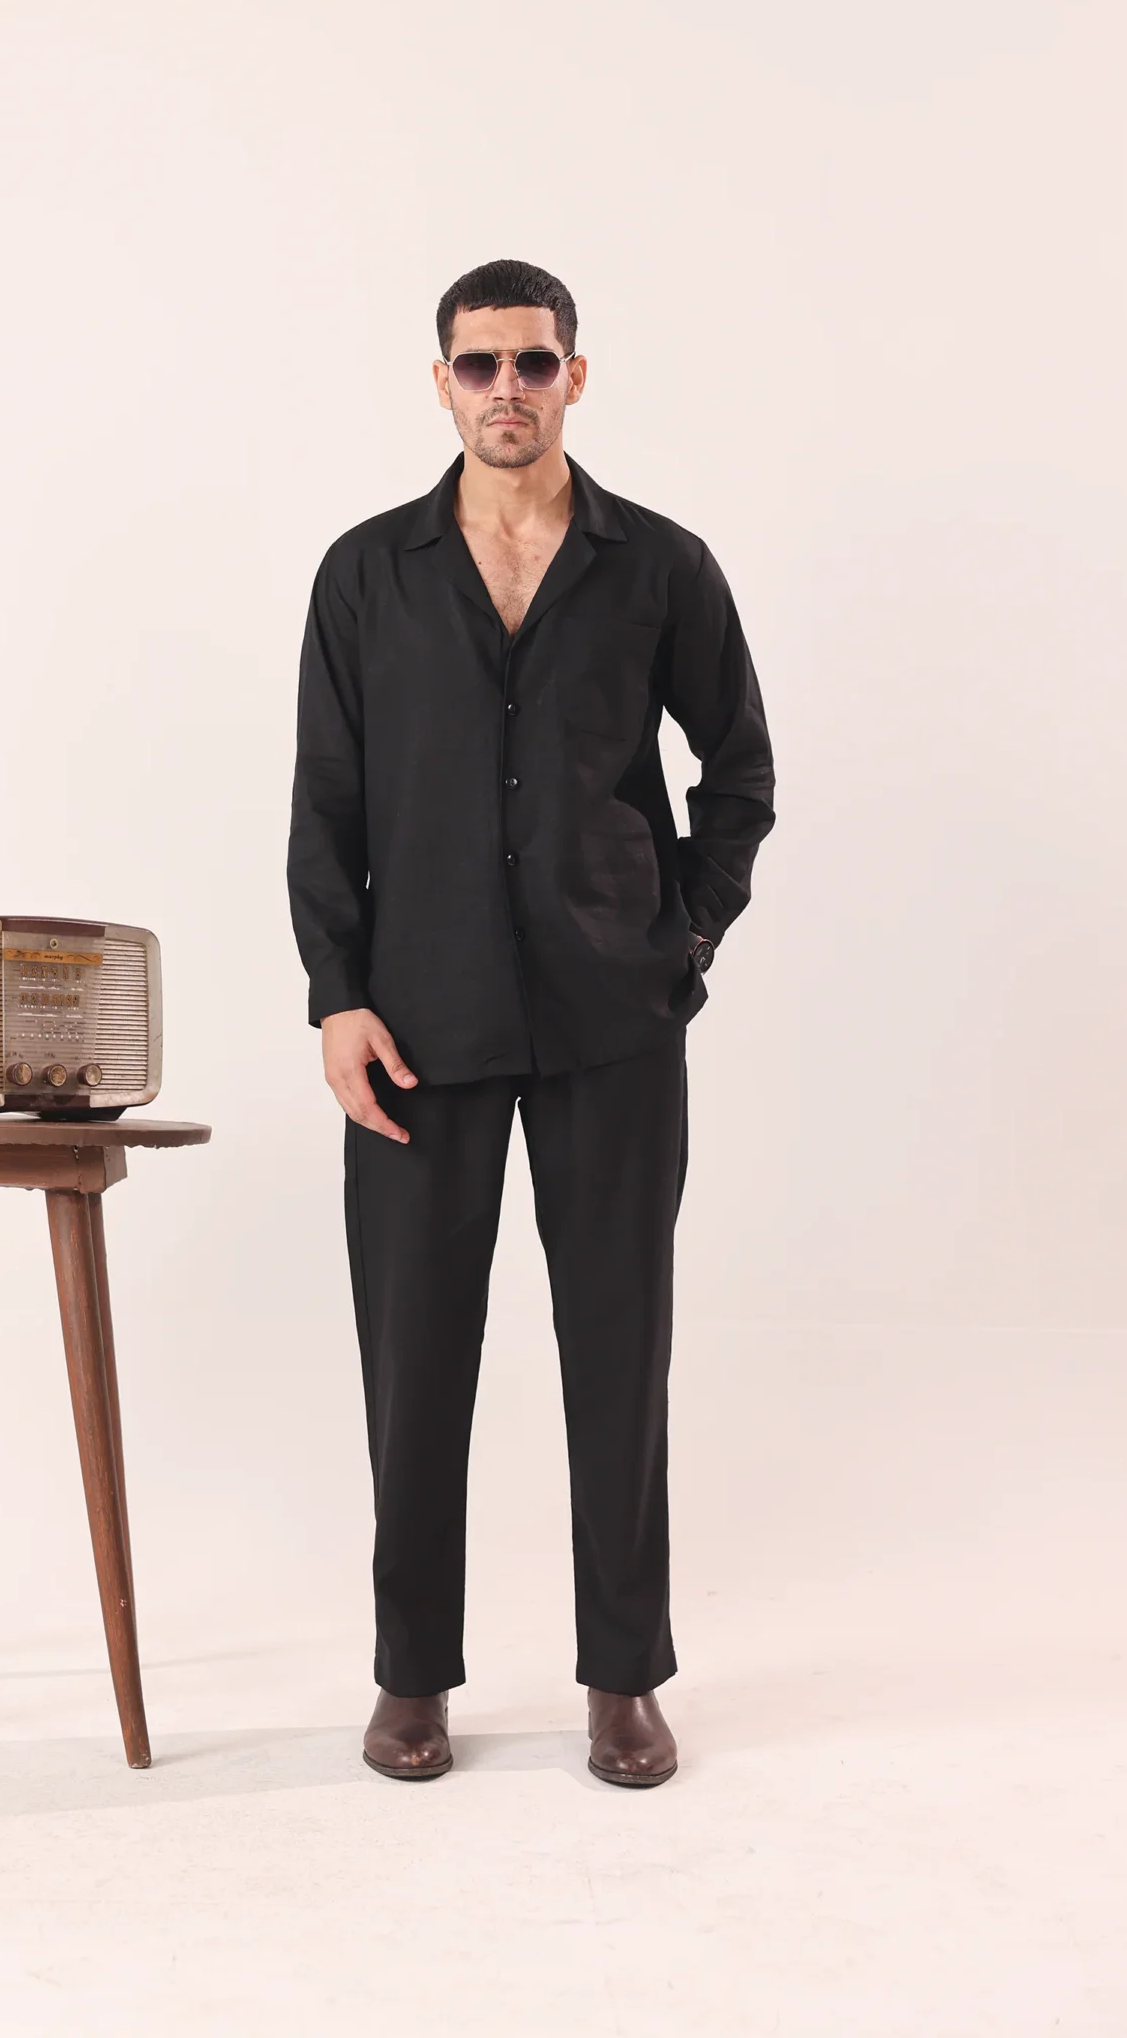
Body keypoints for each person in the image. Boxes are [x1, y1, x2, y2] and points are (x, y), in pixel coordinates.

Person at [286, 258, 775, 1788]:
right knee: (414, 1358)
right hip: (416, 1026)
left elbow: (740, 774)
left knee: (620, 1352)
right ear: (441, 382)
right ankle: (411, 1677)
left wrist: (682, 938)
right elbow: (326, 807)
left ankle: (624, 1678)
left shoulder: (661, 568)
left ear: (576, 375)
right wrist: (337, 996)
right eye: (480, 363)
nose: (509, 388)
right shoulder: (366, 576)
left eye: (534, 362)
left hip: (610, 1019)